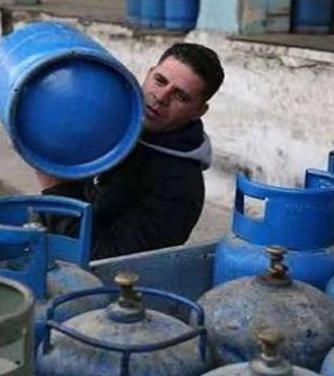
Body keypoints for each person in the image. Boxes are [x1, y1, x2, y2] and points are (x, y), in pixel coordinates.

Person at [36, 42, 225, 259]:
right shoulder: (119, 123)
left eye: (180, 96)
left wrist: (57, 190)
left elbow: (109, 261)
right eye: (160, 81)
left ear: (198, 111)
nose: (161, 97)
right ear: (149, 74)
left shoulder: (179, 191)